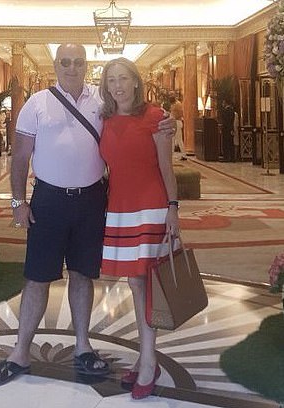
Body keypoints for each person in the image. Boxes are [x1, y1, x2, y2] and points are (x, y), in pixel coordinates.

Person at [0, 44, 176, 386]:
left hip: (92, 202)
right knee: (38, 277)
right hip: (48, 201)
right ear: (56, 65)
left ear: (86, 66)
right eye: (65, 62)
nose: (72, 67)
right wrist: (18, 202)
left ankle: (83, 348)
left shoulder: (100, 103)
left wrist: (167, 122)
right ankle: (20, 352)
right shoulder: (37, 103)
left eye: (78, 62)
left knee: (83, 275)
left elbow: (134, 117)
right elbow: (19, 158)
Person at [99, 58, 179, 399]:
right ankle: (145, 356)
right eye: (112, 80)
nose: (118, 85)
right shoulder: (102, 118)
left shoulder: (157, 118)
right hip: (119, 209)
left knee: (144, 282)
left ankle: (148, 360)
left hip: (150, 207)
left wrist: (173, 209)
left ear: (136, 82)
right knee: (135, 283)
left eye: (124, 78)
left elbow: (166, 167)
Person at [169, 93, 187, 160]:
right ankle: (171, 154)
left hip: (177, 123)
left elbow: (178, 114)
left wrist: (172, 118)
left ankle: (184, 155)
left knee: (179, 139)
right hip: (174, 123)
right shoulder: (174, 104)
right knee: (172, 139)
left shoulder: (177, 105)